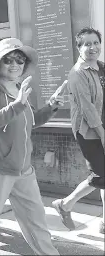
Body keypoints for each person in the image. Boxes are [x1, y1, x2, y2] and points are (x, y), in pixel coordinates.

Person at [0, 38, 65, 255]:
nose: (15, 64)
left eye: (20, 59)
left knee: (37, 224)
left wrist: (51, 108)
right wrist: (17, 105)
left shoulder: (19, 87)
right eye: (9, 60)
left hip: (24, 169)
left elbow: (30, 121)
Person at [52, 27, 105, 234]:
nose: (93, 47)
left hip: (102, 127)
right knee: (101, 174)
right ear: (79, 47)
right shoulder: (77, 73)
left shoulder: (102, 67)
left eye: (96, 42)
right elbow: (88, 109)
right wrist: (103, 135)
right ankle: (65, 204)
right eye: (87, 44)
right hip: (89, 132)